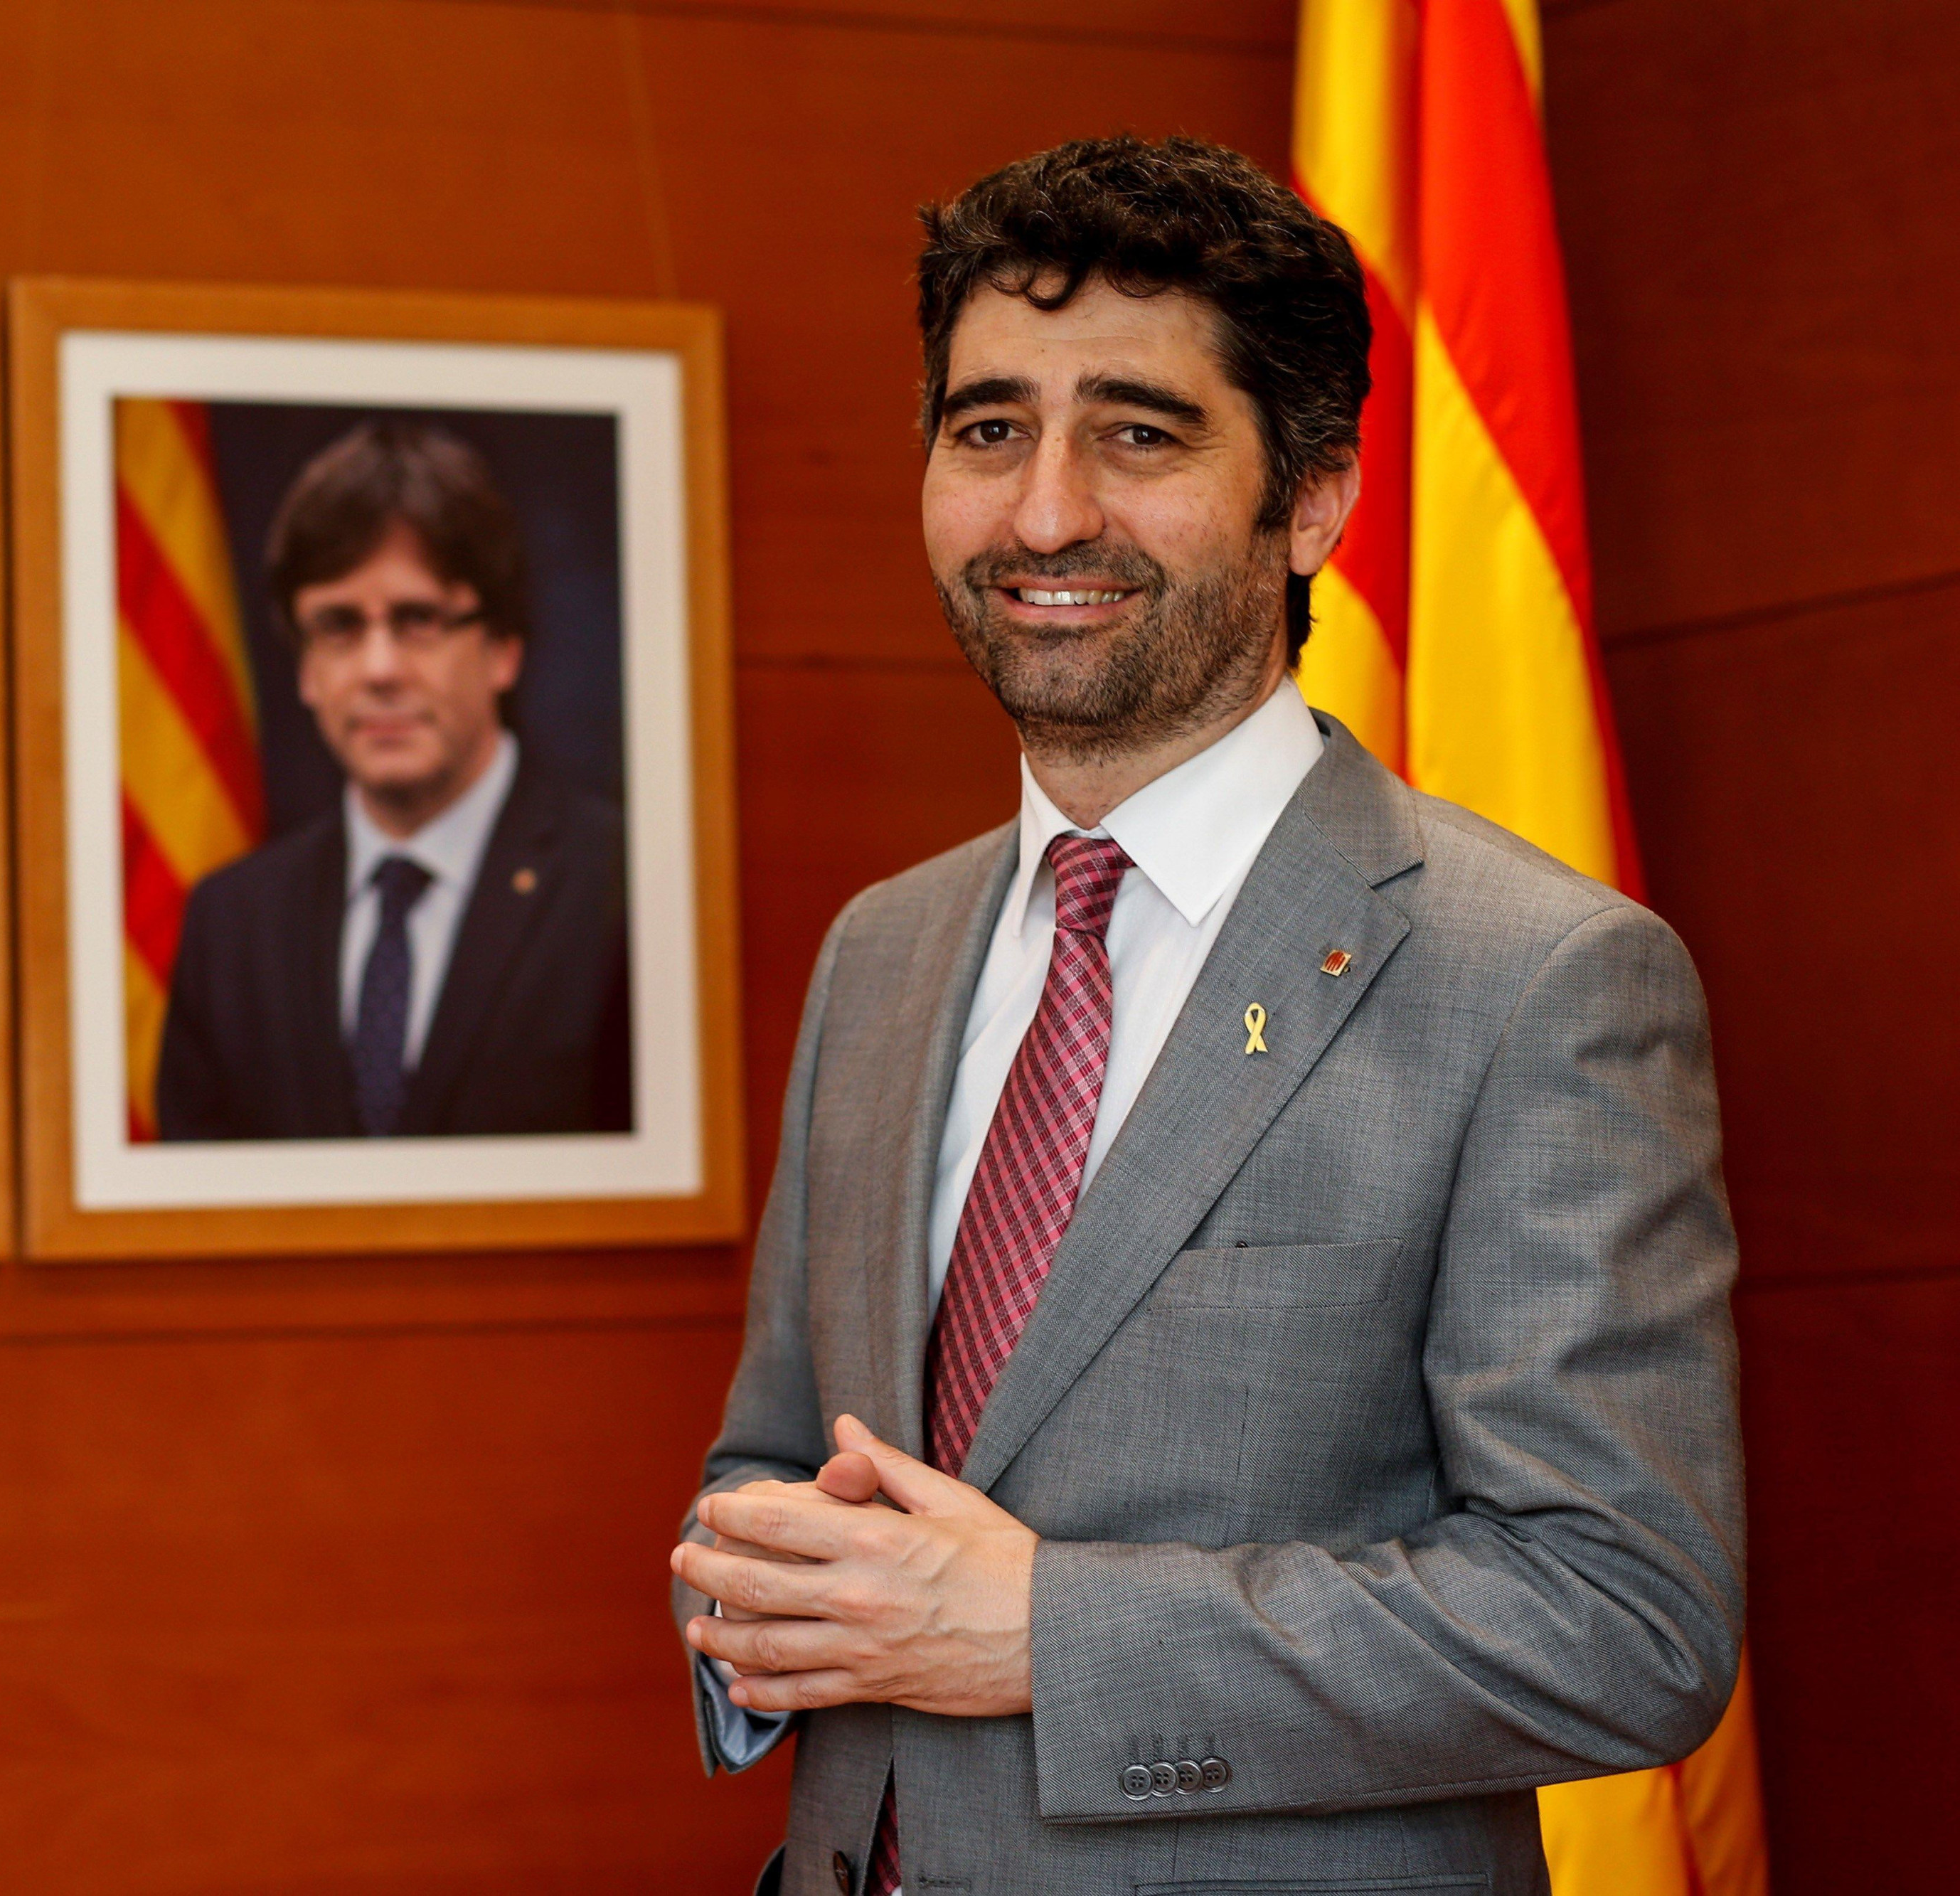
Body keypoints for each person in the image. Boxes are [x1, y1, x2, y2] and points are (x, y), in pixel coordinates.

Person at [667, 137, 1742, 1896]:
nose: (1042, 513)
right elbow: (771, 1457)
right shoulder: (880, 948)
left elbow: (1624, 1616)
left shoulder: (1536, 976)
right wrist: (752, 1599)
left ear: (1309, 501)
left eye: (1138, 434)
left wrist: (1048, 1632)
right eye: (988, 426)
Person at [154, 420, 632, 1141]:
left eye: (418, 620)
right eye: (339, 625)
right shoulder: (229, 925)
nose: (379, 669)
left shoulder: (623, 888)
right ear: (306, 668)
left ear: (503, 647)